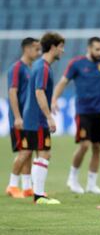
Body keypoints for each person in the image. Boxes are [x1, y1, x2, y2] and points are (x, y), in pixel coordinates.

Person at [52, 37, 100, 194]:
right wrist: (54, 99)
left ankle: (92, 184)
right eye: (97, 49)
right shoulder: (76, 63)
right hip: (83, 112)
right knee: (84, 145)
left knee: (97, 148)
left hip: (99, 112)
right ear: (89, 48)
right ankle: (72, 178)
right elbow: (63, 82)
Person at [20, 32, 65, 205]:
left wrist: (51, 104)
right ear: (53, 47)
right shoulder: (43, 67)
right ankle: (38, 195)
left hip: (33, 117)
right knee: (43, 153)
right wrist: (49, 117)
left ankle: (37, 192)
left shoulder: (40, 65)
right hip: (37, 119)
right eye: (61, 46)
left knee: (43, 153)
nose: (63, 50)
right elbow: (39, 92)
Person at [5, 37, 41, 198]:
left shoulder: (30, 68)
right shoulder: (17, 68)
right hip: (19, 118)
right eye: (36, 48)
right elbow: (12, 92)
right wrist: (17, 117)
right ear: (27, 49)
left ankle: (27, 187)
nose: (38, 52)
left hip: (29, 117)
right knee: (25, 151)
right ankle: (12, 185)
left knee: (29, 150)